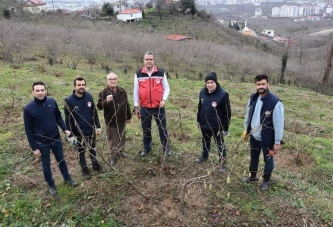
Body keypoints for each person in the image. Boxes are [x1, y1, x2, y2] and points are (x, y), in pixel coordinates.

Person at [23, 81, 79, 195]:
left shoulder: (52, 102)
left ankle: (67, 179)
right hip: (41, 143)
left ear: (46, 90)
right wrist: (34, 147)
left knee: (61, 160)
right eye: (37, 91)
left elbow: (58, 117)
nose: (40, 93)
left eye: (42, 90)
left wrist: (65, 129)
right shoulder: (28, 109)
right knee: (46, 165)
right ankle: (51, 184)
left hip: (56, 138)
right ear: (32, 92)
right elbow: (28, 130)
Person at [242, 74, 284, 191]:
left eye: (263, 84)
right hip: (254, 137)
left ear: (268, 85)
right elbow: (248, 116)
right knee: (253, 157)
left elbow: (279, 125)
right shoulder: (253, 98)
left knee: (268, 160)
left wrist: (277, 142)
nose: (261, 86)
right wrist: (246, 130)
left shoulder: (276, 103)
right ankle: (252, 176)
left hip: (268, 139)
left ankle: (266, 181)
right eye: (258, 84)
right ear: (256, 86)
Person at [133, 51, 171, 157]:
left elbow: (167, 87)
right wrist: (136, 106)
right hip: (144, 107)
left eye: (151, 59)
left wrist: (164, 99)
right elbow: (136, 90)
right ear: (143, 61)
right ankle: (147, 148)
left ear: (154, 60)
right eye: (147, 59)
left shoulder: (161, 72)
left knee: (162, 128)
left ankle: (166, 148)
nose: (149, 61)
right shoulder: (138, 73)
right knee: (146, 129)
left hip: (159, 106)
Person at [64, 77, 103, 180]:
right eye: (79, 85)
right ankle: (84, 169)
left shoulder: (89, 96)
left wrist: (97, 126)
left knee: (92, 147)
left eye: (83, 85)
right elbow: (68, 119)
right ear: (74, 86)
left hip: (90, 129)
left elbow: (94, 112)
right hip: (78, 132)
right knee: (81, 151)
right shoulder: (69, 101)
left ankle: (95, 164)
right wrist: (70, 135)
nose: (81, 87)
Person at [195, 72, 231, 173]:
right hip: (204, 124)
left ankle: (222, 163)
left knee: (220, 144)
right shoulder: (202, 92)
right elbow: (200, 107)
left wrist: (225, 128)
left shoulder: (223, 95)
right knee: (205, 142)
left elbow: (227, 113)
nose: (209, 85)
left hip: (217, 126)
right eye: (207, 82)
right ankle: (204, 156)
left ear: (216, 82)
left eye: (211, 82)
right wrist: (199, 120)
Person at [97, 72, 132, 165]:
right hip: (111, 121)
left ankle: (120, 151)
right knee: (112, 139)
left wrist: (128, 117)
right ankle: (113, 156)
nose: (113, 81)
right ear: (107, 81)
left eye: (114, 79)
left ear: (117, 80)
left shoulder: (122, 91)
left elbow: (126, 104)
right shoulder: (103, 92)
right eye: (110, 79)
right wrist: (106, 101)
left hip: (122, 119)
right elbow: (99, 106)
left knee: (121, 136)